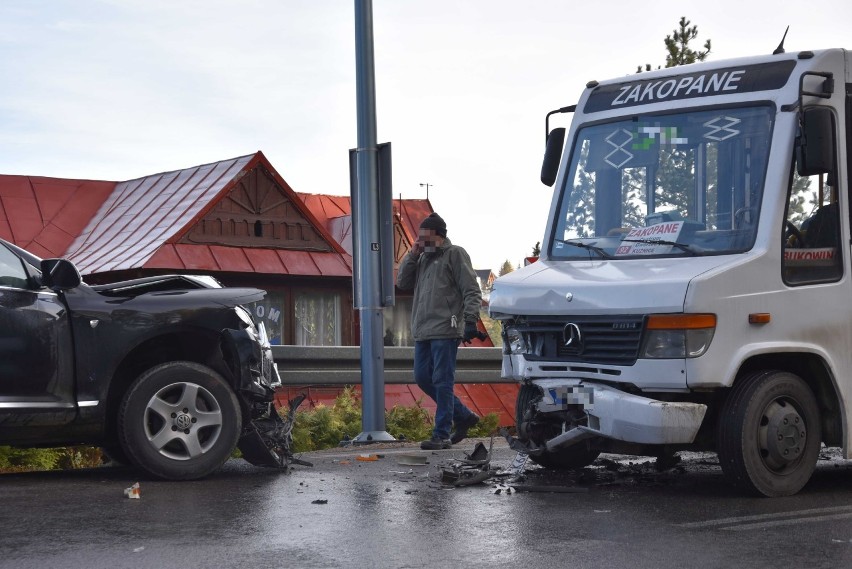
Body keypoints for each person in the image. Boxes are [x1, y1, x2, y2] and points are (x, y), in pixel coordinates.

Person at [397, 212, 482, 450]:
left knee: (442, 381)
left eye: (425, 236)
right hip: (423, 329)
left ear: (438, 235)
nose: (420, 240)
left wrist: (471, 320)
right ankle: (463, 415)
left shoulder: (455, 254)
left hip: (446, 327)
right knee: (422, 377)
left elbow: (472, 290)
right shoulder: (422, 258)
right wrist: (412, 255)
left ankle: (441, 434)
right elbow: (402, 283)